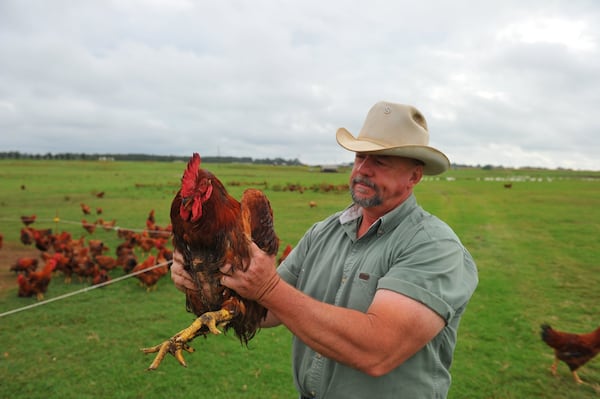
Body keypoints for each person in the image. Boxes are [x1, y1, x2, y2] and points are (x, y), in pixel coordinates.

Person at [171, 101, 478, 399]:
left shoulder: (434, 246)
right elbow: (268, 311)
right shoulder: (324, 232)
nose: (364, 169)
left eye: (380, 161)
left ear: (414, 176)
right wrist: (208, 287)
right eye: (360, 157)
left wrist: (267, 288)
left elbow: (377, 351)